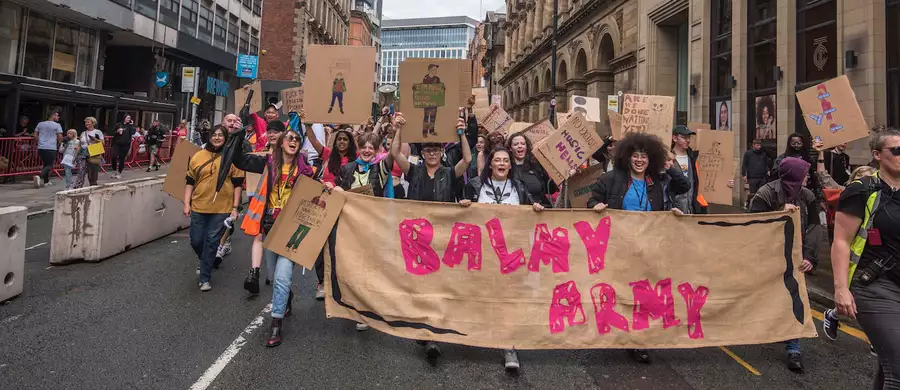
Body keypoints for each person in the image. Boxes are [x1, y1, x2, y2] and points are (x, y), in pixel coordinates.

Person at [587, 132, 690, 364]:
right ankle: (615, 330)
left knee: (643, 294)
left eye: (644, 156)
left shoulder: (659, 180)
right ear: (627, 157)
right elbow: (592, 201)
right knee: (618, 291)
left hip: (649, 248)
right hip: (619, 247)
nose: (640, 160)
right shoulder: (611, 179)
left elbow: (684, 186)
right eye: (635, 155)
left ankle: (638, 341)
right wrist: (597, 205)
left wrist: (669, 166)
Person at [460, 146, 543, 372]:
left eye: (506, 160)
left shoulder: (519, 186)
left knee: (508, 299)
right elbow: (461, 218)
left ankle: (509, 346)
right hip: (483, 253)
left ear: (510, 165)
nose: (502, 164)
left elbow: (531, 213)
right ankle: (467, 335)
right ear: (490, 164)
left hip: (510, 255)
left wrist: (534, 207)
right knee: (479, 296)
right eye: (497, 160)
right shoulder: (476, 186)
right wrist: (465, 205)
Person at [831, 127, 900, 389]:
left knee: (889, 365)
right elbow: (841, 241)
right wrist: (840, 289)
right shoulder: (862, 190)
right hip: (875, 284)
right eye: (896, 150)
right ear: (877, 155)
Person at [235, 122, 314, 346]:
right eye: (288, 138)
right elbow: (239, 159)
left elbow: (318, 192)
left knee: (281, 277)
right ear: (280, 143)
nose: (292, 141)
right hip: (269, 227)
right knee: (273, 273)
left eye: (297, 139)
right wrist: (240, 130)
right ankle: (286, 298)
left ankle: (276, 324)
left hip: (289, 230)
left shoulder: (306, 170)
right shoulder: (267, 163)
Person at [749, 157, 819, 373]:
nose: (807, 177)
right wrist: (779, 211)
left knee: (794, 297)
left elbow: (815, 226)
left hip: (795, 258)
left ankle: (793, 348)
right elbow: (753, 225)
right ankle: (774, 328)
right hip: (770, 256)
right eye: (804, 173)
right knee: (772, 296)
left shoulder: (807, 195)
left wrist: (810, 256)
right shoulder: (765, 193)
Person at [183, 123, 244, 292]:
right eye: (214, 134)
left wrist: (235, 207)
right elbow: (189, 181)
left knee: (211, 241)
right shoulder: (198, 156)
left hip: (222, 208)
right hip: (199, 206)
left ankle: (204, 278)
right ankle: (205, 261)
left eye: (221, 135)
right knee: (196, 240)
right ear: (209, 137)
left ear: (226, 138)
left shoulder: (232, 158)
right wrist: (187, 203)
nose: (217, 138)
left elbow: (238, 184)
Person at [308, 126, 357, 299]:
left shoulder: (357, 159)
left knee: (341, 244)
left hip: (346, 205)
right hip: (324, 203)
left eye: (345, 139)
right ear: (335, 142)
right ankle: (321, 282)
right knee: (319, 243)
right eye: (339, 139)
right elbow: (313, 141)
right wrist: (307, 124)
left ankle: (342, 282)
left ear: (350, 143)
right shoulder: (328, 154)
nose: (342, 142)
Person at [241, 119, 287, 294]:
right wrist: (238, 135)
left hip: (284, 207)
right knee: (260, 237)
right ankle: (255, 273)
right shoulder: (266, 157)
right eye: (270, 131)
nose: (272, 134)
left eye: (276, 131)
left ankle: (277, 281)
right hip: (266, 206)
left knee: (279, 246)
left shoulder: (295, 158)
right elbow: (242, 161)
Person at [506, 132, 556, 207]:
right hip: (520, 211)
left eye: (522, 144)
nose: (520, 146)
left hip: (542, 209)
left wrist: (554, 173)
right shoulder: (507, 169)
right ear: (510, 148)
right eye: (516, 144)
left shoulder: (536, 165)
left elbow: (551, 189)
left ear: (526, 146)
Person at [670, 125, 702, 214]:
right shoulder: (668, 159)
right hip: (674, 210)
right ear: (674, 138)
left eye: (689, 137)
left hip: (691, 208)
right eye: (684, 137)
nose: (688, 140)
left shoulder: (693, 158)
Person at [33, 109, 63, 188]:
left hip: (41, 147)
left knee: (46, 164)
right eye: (57, 115)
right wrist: (61, 144)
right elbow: (60, 136)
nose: (58, 117)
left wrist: (39, 142)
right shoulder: (57, 125)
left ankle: (46, 181)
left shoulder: (40, 124)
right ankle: (40, 176)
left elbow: (35, 135)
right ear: (52, 116)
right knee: (50, 165)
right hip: (51, 147)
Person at [742, 139, 772, 208]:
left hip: (762, 176)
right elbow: (744, 164)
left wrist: (767, 170)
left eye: (760, 145)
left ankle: (759, 206)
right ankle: (748, 203)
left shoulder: (763, 154)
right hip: (752, 177)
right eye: (757, 145)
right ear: (753, 145)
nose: (759, 147)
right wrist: (744, 174)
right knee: (753, 193)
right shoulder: (748, 154)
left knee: (761, 193)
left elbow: (765, 163)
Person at [74, 117, 104, 188]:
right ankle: (78, 186)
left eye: (88, 122)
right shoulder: (83, 133)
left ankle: (93, 185)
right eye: (85, 122)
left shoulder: (98, 132)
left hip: (93, 153)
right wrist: (75, 156)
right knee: (81, 171)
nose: (86, 123)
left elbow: (103, 143)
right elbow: (80, 144)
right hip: (82, 154)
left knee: (92, 172)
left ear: (93, 123)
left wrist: (94, 139)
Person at [111, 115, 136, 179]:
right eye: (127, 118)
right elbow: (112, 132)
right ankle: (114, 171)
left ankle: (119, 173)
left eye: (130, 118)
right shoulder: (118, 124)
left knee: (122, 159)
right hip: (117, 143)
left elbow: (133, 132)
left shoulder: (130, 126)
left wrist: (131, 125)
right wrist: (117, 131)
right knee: (114, 157)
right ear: (124, 118)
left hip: (125, 145)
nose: (129, 119)